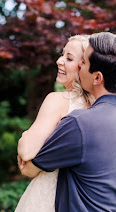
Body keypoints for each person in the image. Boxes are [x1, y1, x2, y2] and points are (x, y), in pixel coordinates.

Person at [19, 32, 116, 211]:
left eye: (83, 63)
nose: (79, 67)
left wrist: (26, 137)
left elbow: (30, 168)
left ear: (97, 78)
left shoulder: (80, 123)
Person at [15, 35, 95, 212]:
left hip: (49, 197)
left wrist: (25, 136)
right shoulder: (98, 107)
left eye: (69, 58)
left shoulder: (58, 100)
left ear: (84, 66)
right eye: (62, 54)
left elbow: (26, 150)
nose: (59, 61)